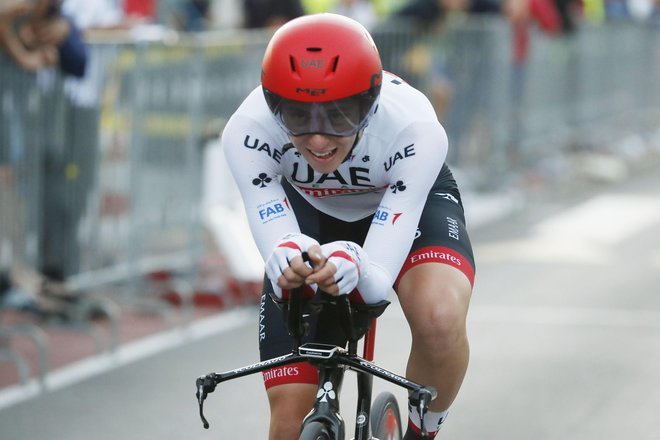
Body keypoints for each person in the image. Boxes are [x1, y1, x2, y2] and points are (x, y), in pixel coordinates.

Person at [222, 13, 475, 439]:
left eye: (340, 118)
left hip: (403, 206)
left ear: (371, 104)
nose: (318, 141)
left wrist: (357, 265)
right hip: (310, 210)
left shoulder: (415, 129)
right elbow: (279, 249)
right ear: (272, 103)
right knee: (288, 420)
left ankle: (421, 430)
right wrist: (287, 259)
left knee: (438, 316)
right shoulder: (247, 132)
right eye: (298, 118)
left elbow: (374, 283)